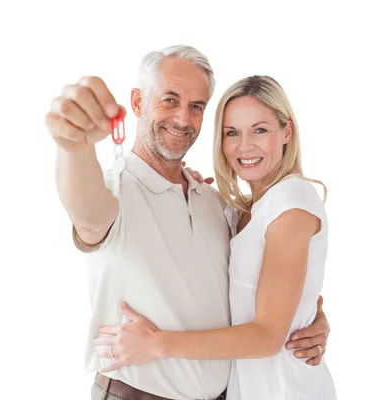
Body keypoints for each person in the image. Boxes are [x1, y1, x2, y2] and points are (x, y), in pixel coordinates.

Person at [46, 46, 331, 400]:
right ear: (136, 103)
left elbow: (260, 297)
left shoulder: (215, 204)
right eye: (169, 99)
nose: (183, 118)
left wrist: (306, 322)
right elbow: (87, 213)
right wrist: (72, 144)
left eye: (196, 106)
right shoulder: (116, 189)